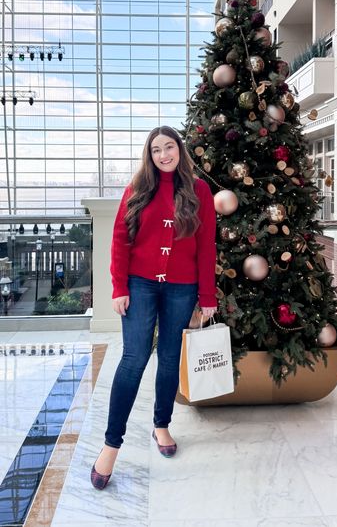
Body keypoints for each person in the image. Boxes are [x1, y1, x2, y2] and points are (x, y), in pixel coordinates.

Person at [91, 126, 217, 490]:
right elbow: (119, 239)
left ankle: (161, 425)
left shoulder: (200, 191)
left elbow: (206, 245)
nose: (163, 155)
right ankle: (111, 445)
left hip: (182, 287)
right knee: (133, 359)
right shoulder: (138, 190)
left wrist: (207, 296)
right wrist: (119, 287)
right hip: (140, 285)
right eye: (156, 149)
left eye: (169, 147)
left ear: (180, 150)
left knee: (169, 356)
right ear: (149, 154)